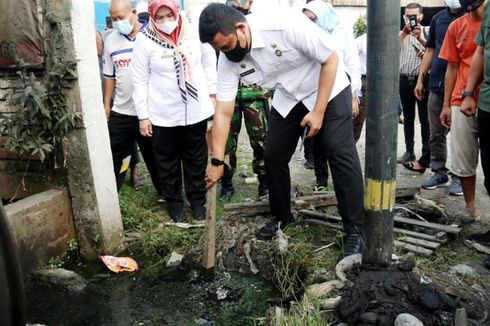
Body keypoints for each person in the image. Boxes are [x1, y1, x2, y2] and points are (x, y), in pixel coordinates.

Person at [199, 4, 364, 258]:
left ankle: (355, 229)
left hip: (327, 86)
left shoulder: (284, 24)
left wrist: (318, 111)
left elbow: (331, 59)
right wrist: (217, 160)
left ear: (241, 28)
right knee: (273, 154)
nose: (225, 54)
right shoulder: (228, 59)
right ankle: (282, 216)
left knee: (337, 149)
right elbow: (222, 111)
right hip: (289, 95)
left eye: (226, 47)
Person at [132, 0, 217, 221]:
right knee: (167, 160)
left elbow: (208, 63)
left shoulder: (193, 33)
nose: (165, 22)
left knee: (196, 158)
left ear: (176, 13)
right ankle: (175, 205)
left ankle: (198, 202)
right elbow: (139, 79)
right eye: (159, 18)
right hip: (162, 112)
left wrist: (212, 95)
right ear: (151, 17)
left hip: (194, 109)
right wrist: (143, 116)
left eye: (168, 16)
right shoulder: (144, 40)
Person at [103, 0, 161, 197]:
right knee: (119, 155)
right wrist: (106, 105)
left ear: (134, 12)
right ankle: (114, 193)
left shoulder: (152, 35)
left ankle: (165, 193)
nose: (118, 22)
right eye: (114, 18)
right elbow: (109, 77)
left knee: (155, 156)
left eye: (121, 17)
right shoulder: (111, 39)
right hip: (122, 110)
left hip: (149, 111)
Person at [302, 0, 362, 192]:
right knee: (317, 138)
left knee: (338, 143)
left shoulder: (341, 35)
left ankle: (344, 186)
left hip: (339, 93)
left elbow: (352, 66)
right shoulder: (304, 36)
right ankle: (321, 180)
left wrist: (354, 97)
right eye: (306, 20)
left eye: (313, 19)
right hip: (314, 92)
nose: (309, 23)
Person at [219, 0, 271, 201]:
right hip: (227, 96)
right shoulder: (220, 29)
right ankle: (226, 184)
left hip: (255, 95)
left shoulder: (255, 27)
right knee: (226, 142)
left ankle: (265, 183)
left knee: (261, 140)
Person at [439, 0, 485, 222]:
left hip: (485, 99)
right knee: (464, 158)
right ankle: (470, 208)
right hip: (461, 99)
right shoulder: (456, 26)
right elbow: (452, 66)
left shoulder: (487, 22)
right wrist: (446, 104)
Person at [413, 0, 464, 194]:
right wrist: (421, 78)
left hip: (462, 86)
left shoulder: (471, 17)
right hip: (437, 83)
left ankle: (459, 176)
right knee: (436, 133)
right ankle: (439, 171)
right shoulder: (438, 19)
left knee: (461, 134)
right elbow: (430, 49)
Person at [398, 3, 431, 174]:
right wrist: (404, 33)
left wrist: (421, 40)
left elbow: (435, 52)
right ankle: (409, 151)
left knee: (425, 120)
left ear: (421, 17)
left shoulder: (428, 32)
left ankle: (427, 154)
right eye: (407, 16)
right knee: (408, 118)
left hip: (424, 80)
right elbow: (391, 51)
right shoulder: (400, 34)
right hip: (404, 80)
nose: (410, 19)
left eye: (413, 16)